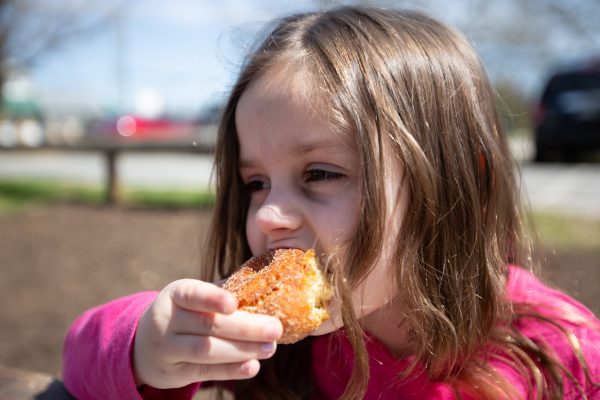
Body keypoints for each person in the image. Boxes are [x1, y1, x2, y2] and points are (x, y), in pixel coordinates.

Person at [62, 6, 600, 400]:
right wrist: (143, 347)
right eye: (256, 183)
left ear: (458, 183)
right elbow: (81, 359)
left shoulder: (563, 358)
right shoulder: (277, 347)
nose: (269, 215)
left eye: (320, 173)